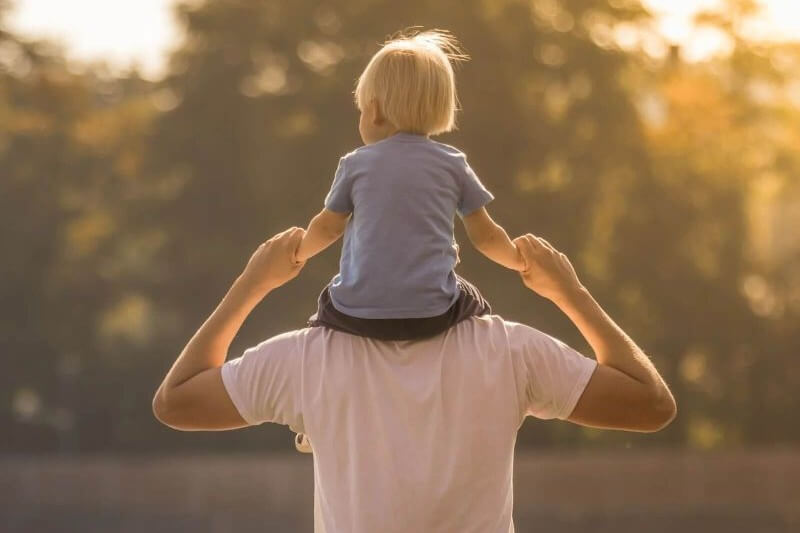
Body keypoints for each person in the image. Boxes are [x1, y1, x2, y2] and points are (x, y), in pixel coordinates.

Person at [152, 227, 677, 533]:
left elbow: (176, 402)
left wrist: (252, 283)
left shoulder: (306, 359)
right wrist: (570, 293)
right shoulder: (509, 349)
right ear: (449, 258)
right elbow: (650, 404)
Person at [293, 29, 525, 452]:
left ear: (376, 111)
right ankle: (478, 395)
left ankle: (315, 418)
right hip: (432, 311)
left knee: (321, 320)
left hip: (357, 312)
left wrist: (296, 253)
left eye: (362, 109)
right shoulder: (454, 165)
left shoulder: (356, 164)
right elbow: (486, 236)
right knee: (478, 310)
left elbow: (328, 228)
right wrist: (519, 261)